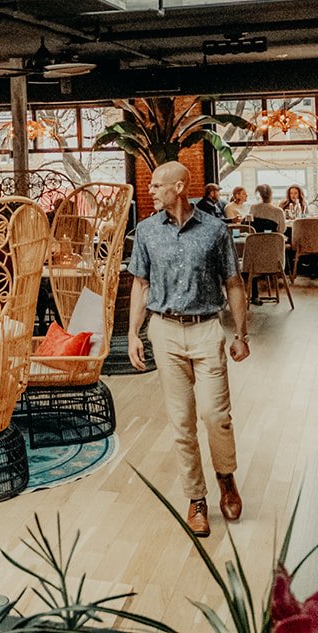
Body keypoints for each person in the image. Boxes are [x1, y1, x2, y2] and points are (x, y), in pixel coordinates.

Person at [127, 161, 249, 537]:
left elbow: (233, 283)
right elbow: (140, 284)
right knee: (181, 423)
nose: (150, 190)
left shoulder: (214, 230)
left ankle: (226, 478)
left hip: (205, 329)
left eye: (157, 185)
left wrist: (241, 334)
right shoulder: (146, 231)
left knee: (215, 416)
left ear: (179, 187)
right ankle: (196, 498)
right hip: (164, 331)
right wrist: (134, 333)